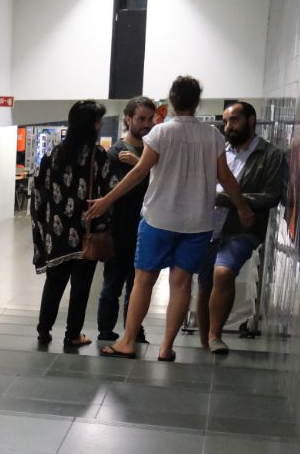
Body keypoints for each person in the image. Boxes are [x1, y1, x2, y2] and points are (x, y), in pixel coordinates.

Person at [85, 75, 255, 361]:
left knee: (143, 280)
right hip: (198, 224)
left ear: (172, 101)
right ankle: (166, 348)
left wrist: (106, 200)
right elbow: (225, 177)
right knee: (182, 283)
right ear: (197, 102)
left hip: (159, 220)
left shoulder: (160, 133)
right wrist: (243, 207)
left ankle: (128, 341)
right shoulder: (212, 136)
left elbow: (139, 172)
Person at [196, 101, 286, 354]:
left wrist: (229, 199)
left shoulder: (270, 154)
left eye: (234, 120)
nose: (228, 126)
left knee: (223, 273)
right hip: (209, 225)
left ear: (251, 120)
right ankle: (205, 341)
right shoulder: (218, 152)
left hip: (241, 228)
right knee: (205, 284)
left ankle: (215, 335)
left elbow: (271, 196)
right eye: (226, 121)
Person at [30, 100, 117, 347]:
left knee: (54, 283)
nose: (100, 125)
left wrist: (45, 228)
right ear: (91, 125)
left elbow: (39, 193)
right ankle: (72, 334)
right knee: (81, 287)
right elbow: (109, 192)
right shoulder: (98, 156)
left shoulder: (54, 154)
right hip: (86, 234)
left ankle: (43, 330)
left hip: (56, 236)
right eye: (98, 121)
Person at [97, 96, 156, 343]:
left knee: (138, 285)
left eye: (150, 119)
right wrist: (139, 168)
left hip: (147, 228)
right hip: (120, 229)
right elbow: (117, 190)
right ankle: (106, 331)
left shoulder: (153, 151)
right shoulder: (116, 154)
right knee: (113, 284)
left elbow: (161, 185)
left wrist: (140, 165)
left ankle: (133, 331)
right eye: (141, 118)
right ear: (128, 119)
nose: (147, 124)